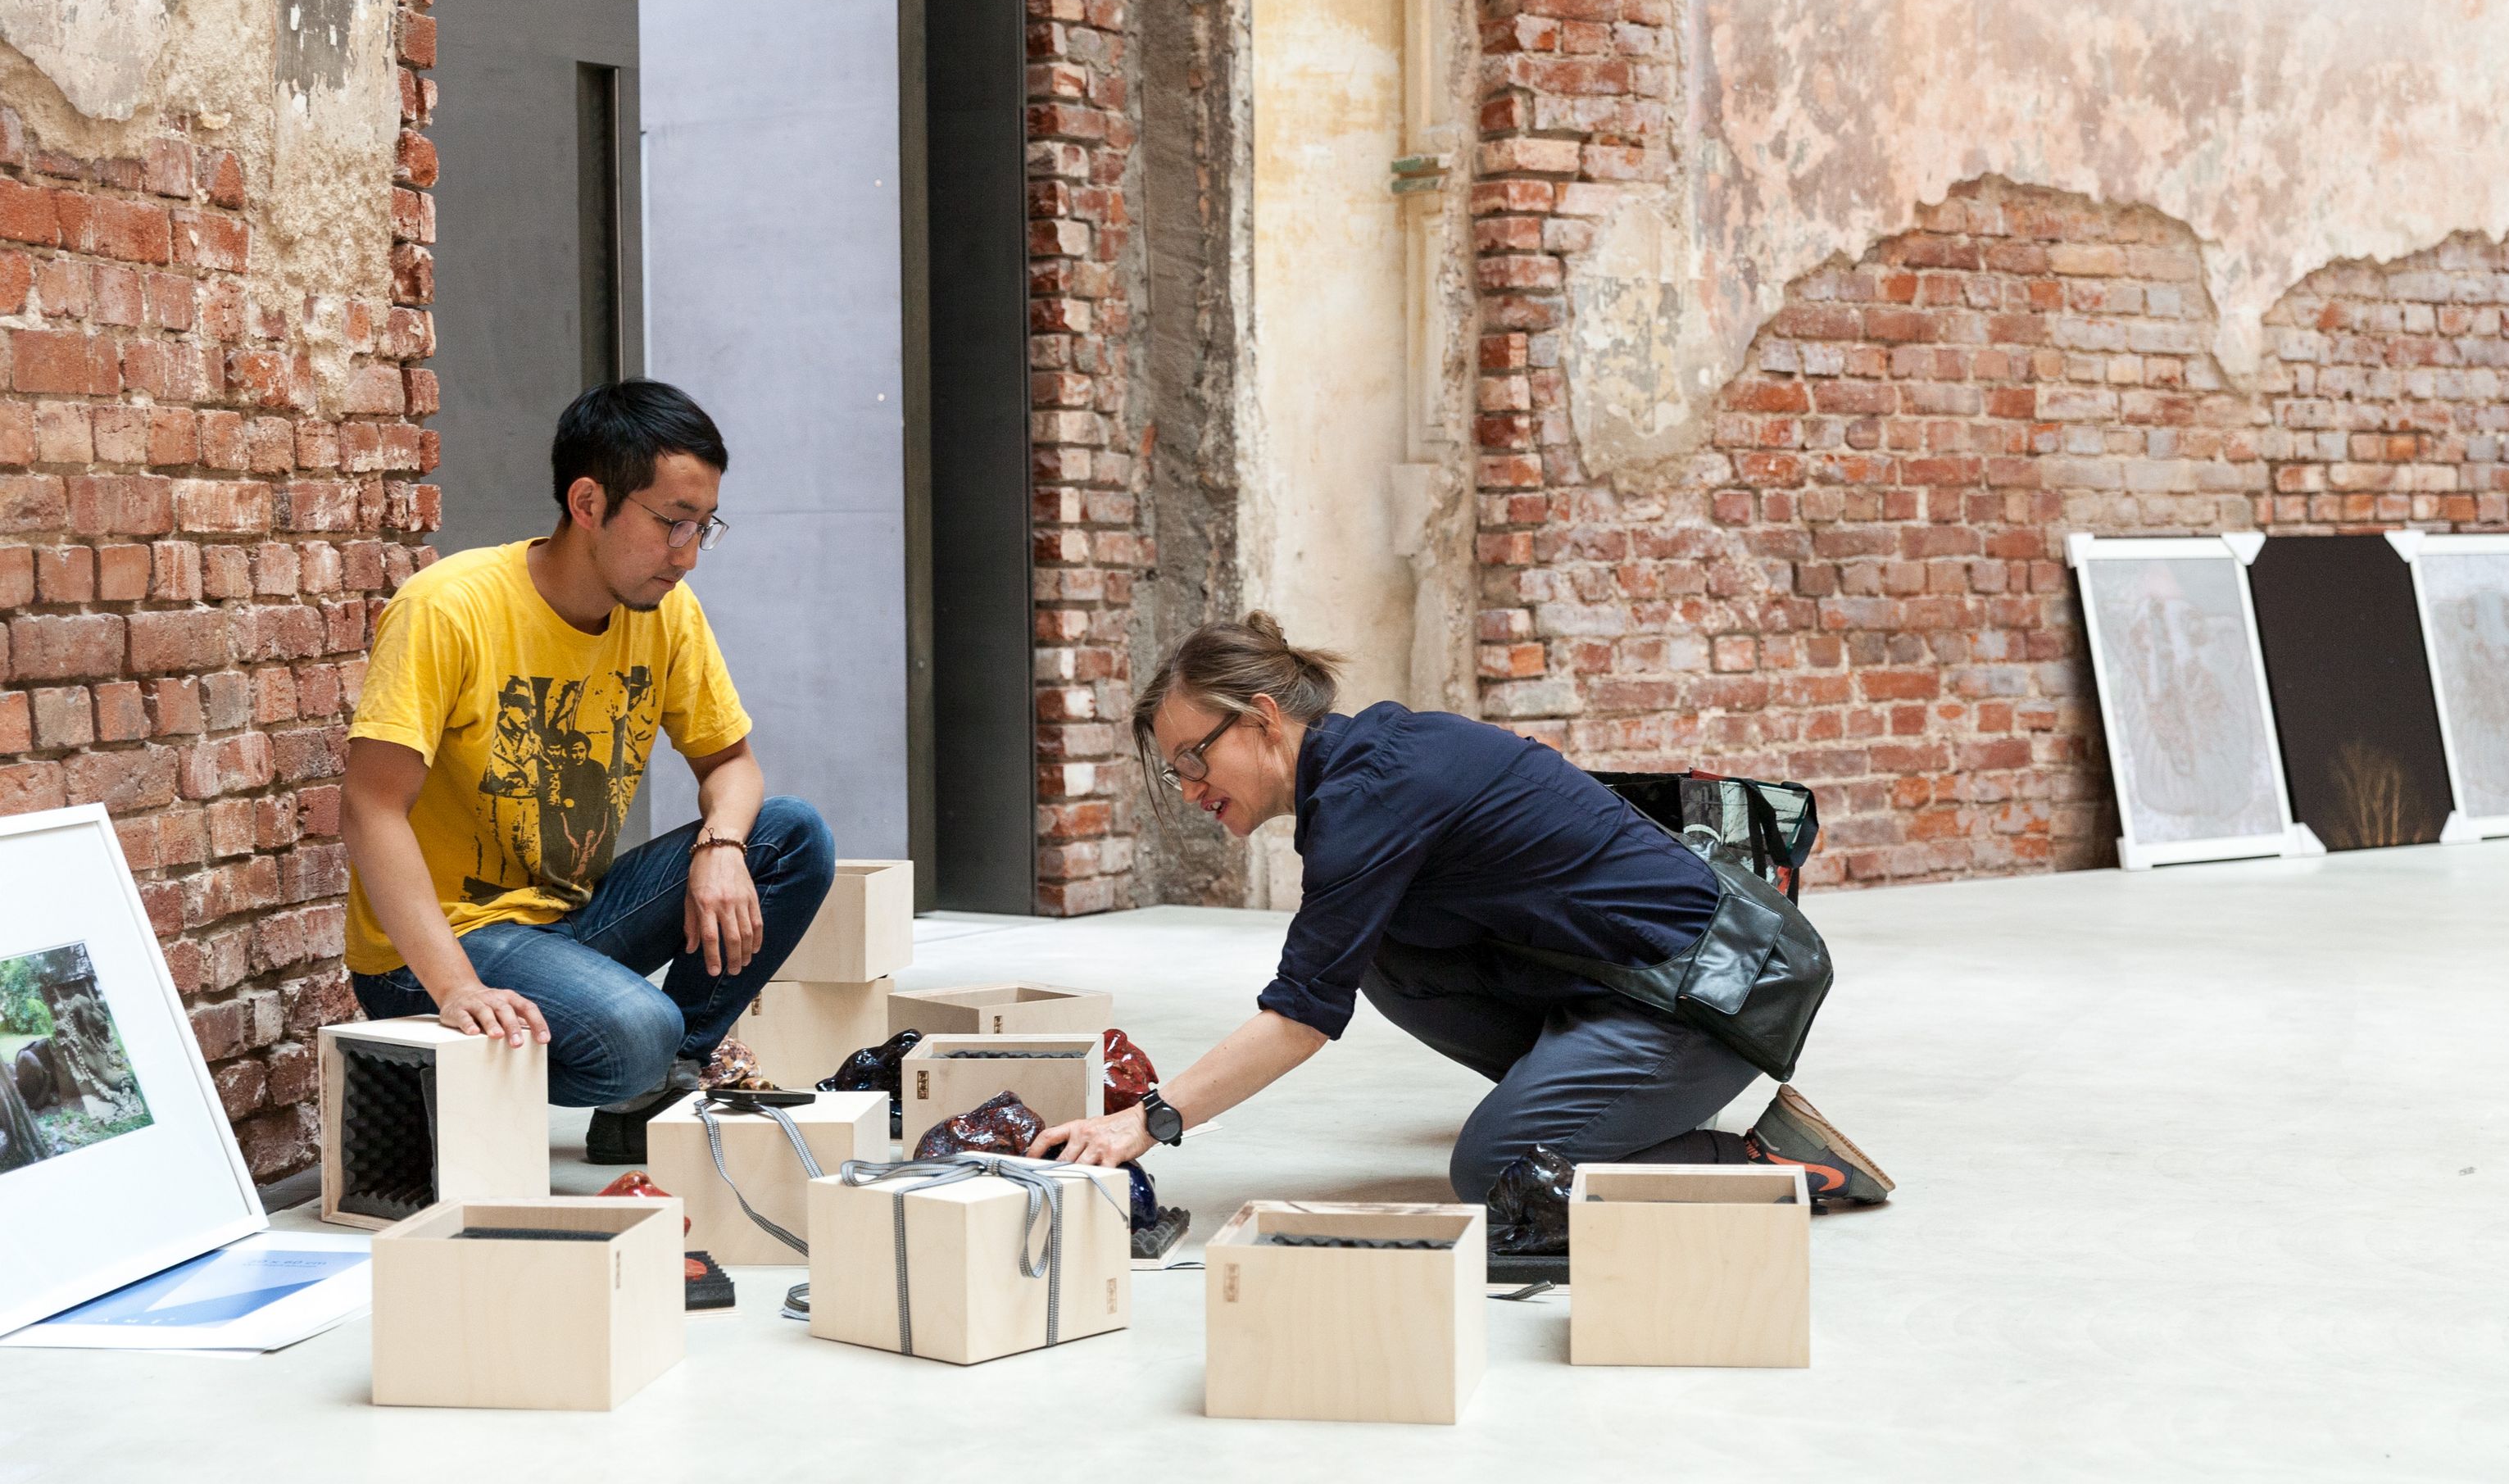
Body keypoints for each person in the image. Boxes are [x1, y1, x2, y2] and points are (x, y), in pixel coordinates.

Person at [1033, 615, 1894, 1208]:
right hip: (1666, 980)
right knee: (1383, 953)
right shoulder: (1375, 758)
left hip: (1718, 995)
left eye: (1193, 758)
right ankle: (1612, 1108)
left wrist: (1146, 1121)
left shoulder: (1372, 799)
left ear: (1261, 720)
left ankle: (1778, 1162)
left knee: (1499, 1173)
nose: (1188, 791)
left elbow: (1299, 1017)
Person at [340, 380, 836, 1164]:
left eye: (705, 527)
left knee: (790, 834)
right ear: (587, 501)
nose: (689, 555)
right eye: (673, 524)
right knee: (635, 1029)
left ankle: (664, 1082)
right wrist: (455, 988)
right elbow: (369, 810)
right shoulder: (449, 609)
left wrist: (720, 849)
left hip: (566, 925)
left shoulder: (665, 611)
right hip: (436, 952)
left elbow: (732, 764)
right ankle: (641, 1065)